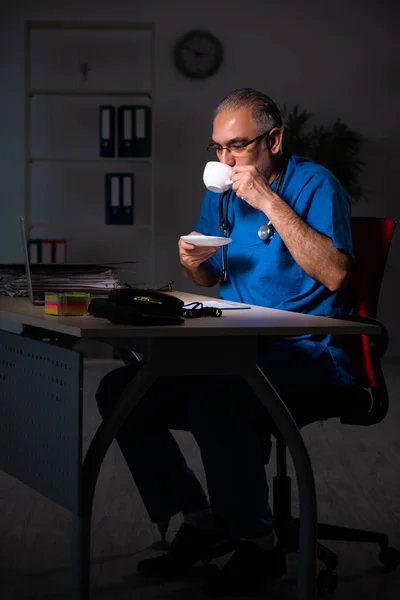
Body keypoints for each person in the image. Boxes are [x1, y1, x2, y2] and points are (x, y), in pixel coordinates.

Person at [96, 88, 355, 596]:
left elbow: (336, 274)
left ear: (274, 140)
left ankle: (259, 544)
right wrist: (195, 266)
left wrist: (267, 200)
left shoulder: (316, 185)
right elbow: (215, 277)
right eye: (218, 148)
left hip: (309, 351)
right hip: (236, 345)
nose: (226, 160)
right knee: (120, 391)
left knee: (218, 399)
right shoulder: (221, 193)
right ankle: (201, 518)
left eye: (237, 146)